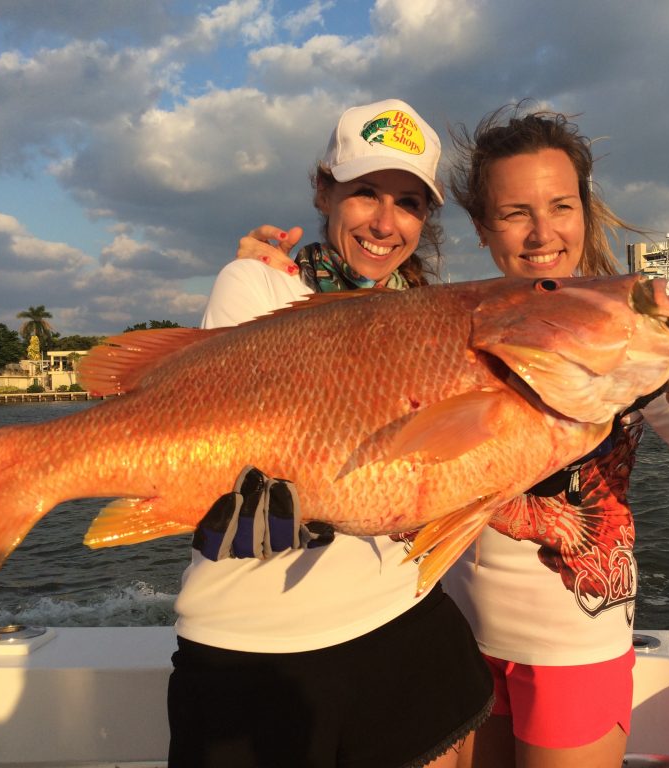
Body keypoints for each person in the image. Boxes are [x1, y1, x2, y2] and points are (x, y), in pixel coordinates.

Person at [236, 105, 669, 768]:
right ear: (481, 225)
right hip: (450, 643)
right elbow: (348, 356)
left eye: (560, 205)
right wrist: (273, 280)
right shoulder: (449, 317)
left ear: (585, 209)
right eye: (515, 212)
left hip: (572, 650)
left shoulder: (633, 331)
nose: (542, 232)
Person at [168, 99, 493, 768]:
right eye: (365, 193)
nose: (385, 221)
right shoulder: (257, 282)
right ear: (323, 191)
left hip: (405, 628)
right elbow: (214, 440)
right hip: (251, 649)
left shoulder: (434, 317)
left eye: (408, 203)